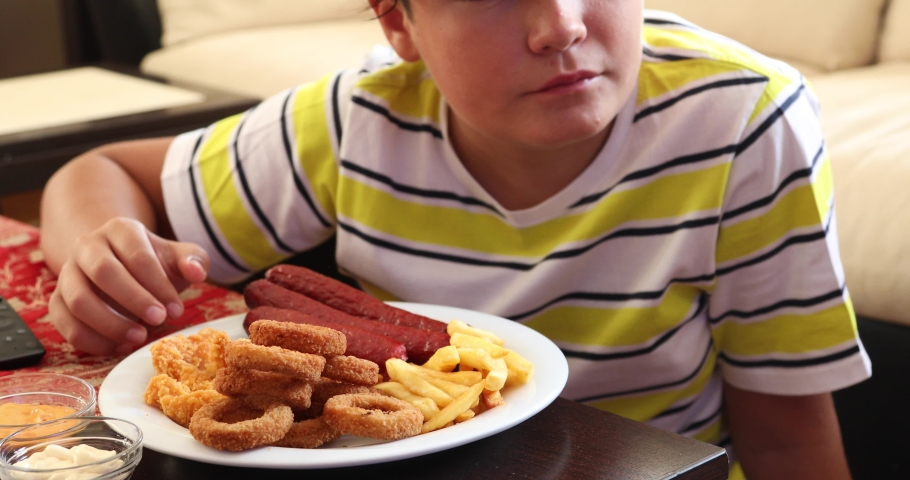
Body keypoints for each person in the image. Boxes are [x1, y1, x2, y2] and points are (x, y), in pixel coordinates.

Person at [39, 0, 870, 478]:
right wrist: (96, 250)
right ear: (400, 24)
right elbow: (106, 170)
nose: (560, 26)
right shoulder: (356, 119)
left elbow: (787, 428)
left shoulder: (743, 120)